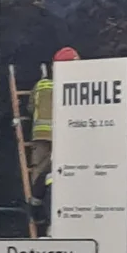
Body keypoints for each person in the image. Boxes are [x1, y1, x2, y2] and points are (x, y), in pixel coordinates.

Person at [28, 46, 80, 182]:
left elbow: (30, 107)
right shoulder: (72, 86)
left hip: (39, 135)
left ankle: (36, 196)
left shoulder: (40, 85)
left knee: (38, 167)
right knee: (60, 166)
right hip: (60, 134)